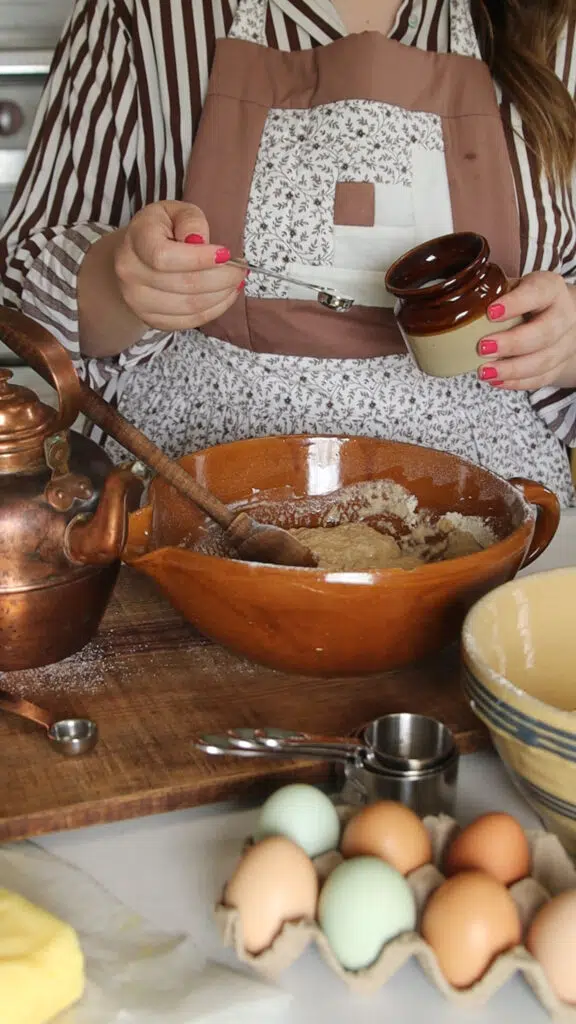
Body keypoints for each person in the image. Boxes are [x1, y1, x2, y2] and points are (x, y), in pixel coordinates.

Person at [1, 0, 576, 506]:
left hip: (500, 520)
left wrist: (565, 340)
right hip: (194, 506)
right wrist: (123, 283)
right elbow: (17, 287)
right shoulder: (144, 14)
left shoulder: (554, 29)